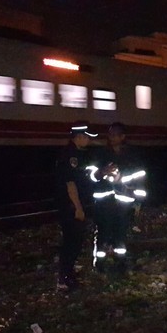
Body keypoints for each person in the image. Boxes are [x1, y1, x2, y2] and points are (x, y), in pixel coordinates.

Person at [90, 122, 146, 273]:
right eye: (110, 134)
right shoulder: (101, 154)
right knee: (103, 232)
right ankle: (99, 263)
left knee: (120, 233)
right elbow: (91, 175)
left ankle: (120, 262)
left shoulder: (132, 156)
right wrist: (102, 172)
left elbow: (140, 177)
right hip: (104, 201)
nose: (112, 137)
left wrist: (138, 202)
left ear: (123, 137)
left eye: (115, 134)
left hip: (124, 202)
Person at [54, 121, 98, 292]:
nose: (89, 141)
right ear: (79, 137)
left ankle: (68, 275)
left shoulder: (77, 154)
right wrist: (78, 207)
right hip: (71, 207)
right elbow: (70, 184)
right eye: (87, 137)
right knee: (72, 242)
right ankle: (64, 279)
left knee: (74, 241)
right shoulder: (70, 156)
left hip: (74, 205)